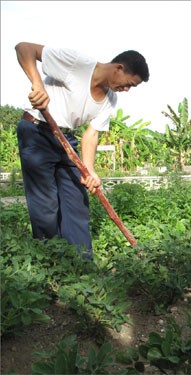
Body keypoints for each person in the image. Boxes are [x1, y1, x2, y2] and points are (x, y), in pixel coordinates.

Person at [15, 42, 149, 260]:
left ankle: (82, 266)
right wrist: (37, 85)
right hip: (37, 132)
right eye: (129, 84)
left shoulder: (110, 99)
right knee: (46, 206)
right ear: (118, 68)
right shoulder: (77, 64)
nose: (126, 90)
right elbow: (24, 48)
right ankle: (51, 264)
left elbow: (91, 134)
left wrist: (90, 171)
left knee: (76, 200)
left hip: (66, 140)